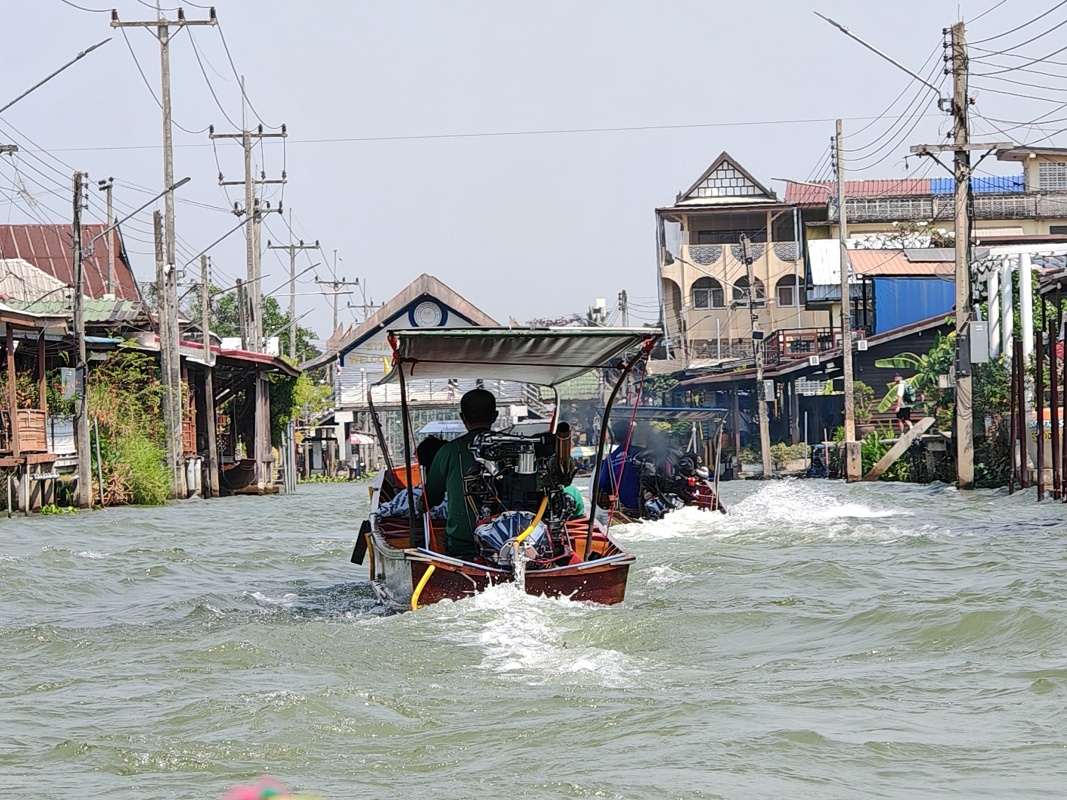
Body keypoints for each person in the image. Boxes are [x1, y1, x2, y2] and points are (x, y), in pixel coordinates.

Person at [425, 388, 498, 559]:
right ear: (495, 416)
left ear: (462, 417)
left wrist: (420, 505)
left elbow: (431, 498)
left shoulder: (449, 451)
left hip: (463, 546)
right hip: (512, 541)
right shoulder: (517, 447)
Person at [596, 419, 644, 516]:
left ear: (615, 436)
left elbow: (603, 483)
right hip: (645, 505)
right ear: (631, 434)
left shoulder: (610, 459)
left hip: (626, 506)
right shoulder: (642, 453)